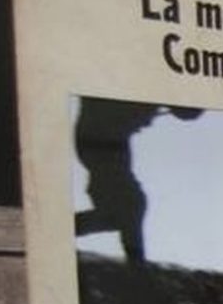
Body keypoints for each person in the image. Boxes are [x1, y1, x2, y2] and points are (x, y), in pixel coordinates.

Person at [73, 98, 203, 270]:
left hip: (109, 140)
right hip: (101, 138)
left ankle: (135, 264)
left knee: (120, 215)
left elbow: (188, 113)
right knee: (131, 205)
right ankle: (136, 266)